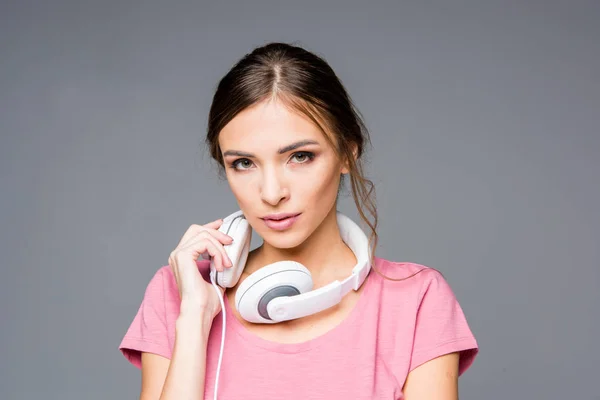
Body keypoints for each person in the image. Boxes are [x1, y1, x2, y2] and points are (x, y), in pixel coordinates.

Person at [118, 42, 479, 399]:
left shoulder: (416, 299)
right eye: (243, 163)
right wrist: (195, 318)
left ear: (346, 155)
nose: (272, 193)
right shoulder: (179, 293)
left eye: (300, 156)